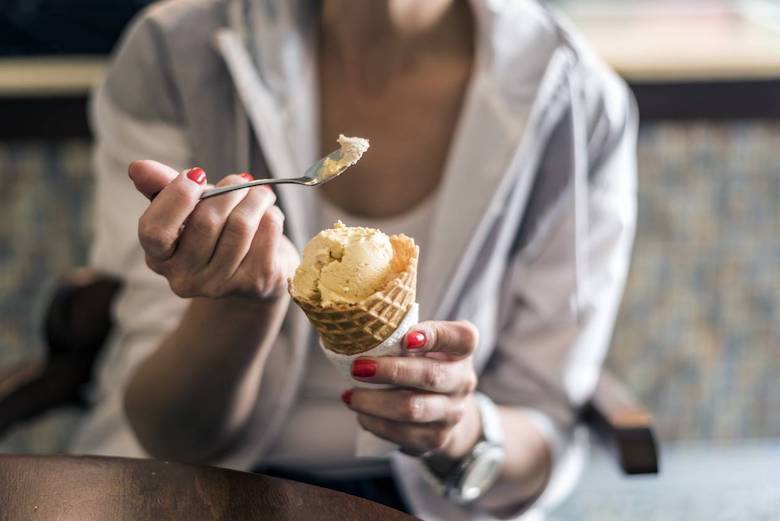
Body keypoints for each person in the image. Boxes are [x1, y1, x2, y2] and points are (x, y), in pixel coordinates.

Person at [70, 0, 637, 519]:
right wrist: (244, 305)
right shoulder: (175, 52)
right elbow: (168, 434)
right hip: (197, 491)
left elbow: (545, 431)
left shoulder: (576, 98)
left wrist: (457, 427)